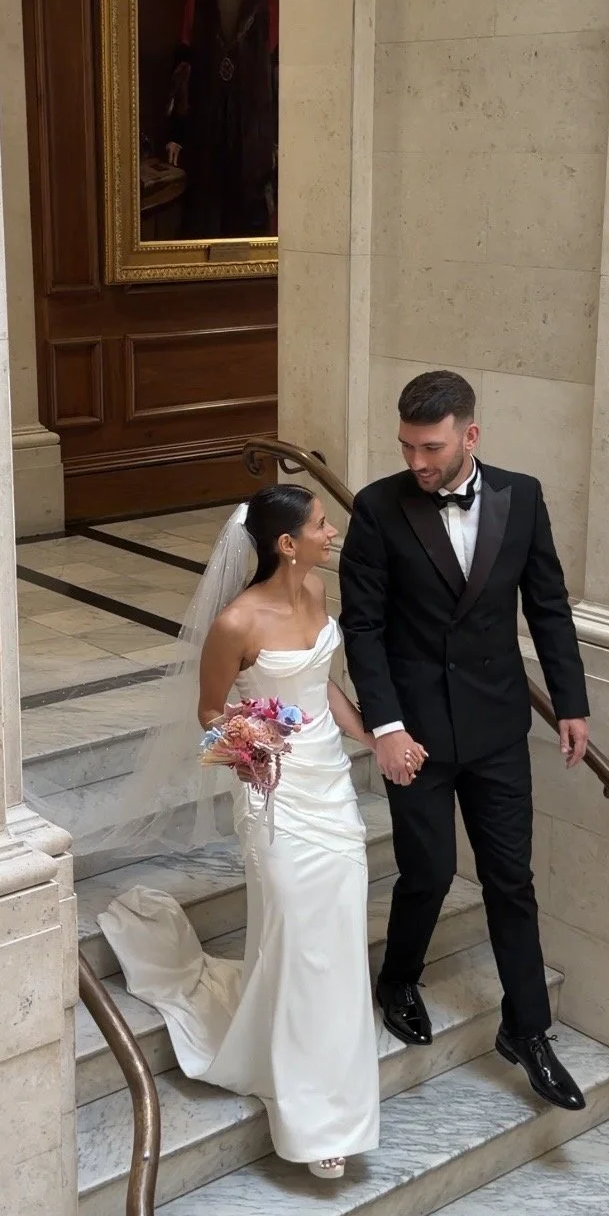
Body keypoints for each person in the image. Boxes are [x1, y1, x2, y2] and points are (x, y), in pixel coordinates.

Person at [99, 485, 380, 1180]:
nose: (331, 531)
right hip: (275, 797)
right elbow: (208, 712)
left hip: (330, 789)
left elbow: (323, 682)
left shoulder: (316, 594)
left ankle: (334, 1083)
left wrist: (368, 735)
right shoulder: (235, 623)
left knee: (336, 934)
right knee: (297, 935)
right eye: (320, 525)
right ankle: (308, 1115)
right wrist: (259, 757)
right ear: (285, 544)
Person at [339, 368, 591, 1112]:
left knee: (512, 878)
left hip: (497, 727)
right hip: (412, 732)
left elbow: (547, 606)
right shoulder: (379, 509)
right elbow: (363, 626)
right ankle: (398, 977)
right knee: (430, 871)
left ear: (470, 436)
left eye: (432, 447)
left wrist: (570, 701)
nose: (418, 461)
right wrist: (384, 727)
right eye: (409, 446)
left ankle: (528, 1030)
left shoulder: (523, 495)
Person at [165, 0, 278, 240]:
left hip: (251, 130)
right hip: (208, 127)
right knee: (205, 216)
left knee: (247, 218)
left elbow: (278, 72)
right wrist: (176, 132)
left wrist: (278, 136)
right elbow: (183, 69)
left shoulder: (269, 1)